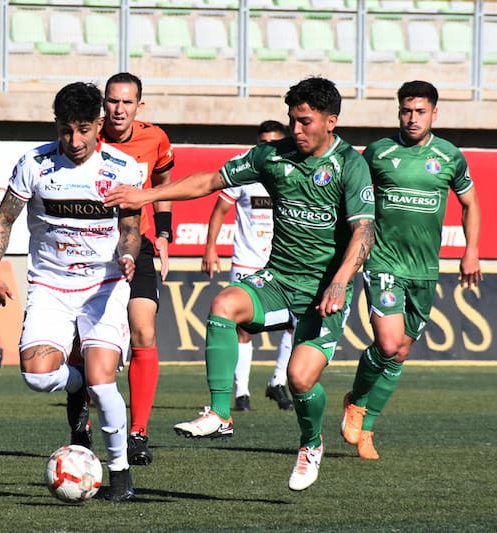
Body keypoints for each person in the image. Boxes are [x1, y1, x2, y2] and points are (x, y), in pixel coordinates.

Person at [104, 76, 376, 492]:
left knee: (300, 379)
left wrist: (339, 283)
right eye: (292, 121)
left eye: (305, 121)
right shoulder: (272, 156)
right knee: (223, 304)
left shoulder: (350, 166)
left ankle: (310, 443)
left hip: (324, 292)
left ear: (331, 121)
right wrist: (143, 197)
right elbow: (209, 181)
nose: (296, 129)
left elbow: (363, 233)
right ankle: (219, 412)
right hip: (278, 279)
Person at [0, 81, 143, 502]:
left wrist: (128, 256)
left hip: (104, 286)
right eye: (66, 130)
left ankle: (121, 476)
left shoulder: (123, 169)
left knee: (103, 380)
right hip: (50, 284)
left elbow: (130, 231)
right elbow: (4, 219)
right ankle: (75, 388)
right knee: (37, 378)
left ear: (99, 125)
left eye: (84, 130)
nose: (74, 141)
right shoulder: (34, 163)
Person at [341, 80, 482, 460]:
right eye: (406, 110)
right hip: (383, 261)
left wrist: (471, 251)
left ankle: (367, 428)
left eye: (420, 111)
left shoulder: (450, 156)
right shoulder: (378, 152)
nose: (412, 118)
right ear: (398, 111)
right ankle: (355, 403)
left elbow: (470, 203)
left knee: (400, 352)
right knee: (388, 342)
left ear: (434, 113)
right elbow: (351, 198)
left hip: (424, 269)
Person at [66, 72, 175, 466]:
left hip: (137, 245)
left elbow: (163, 183)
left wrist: (163, 234)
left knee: (144, 328)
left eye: (127, 102)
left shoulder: (156, 139)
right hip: (90, 251)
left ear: (139, 106)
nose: (118, 109)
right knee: (81, 343)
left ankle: (138, 432)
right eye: (112, 101)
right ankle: (81, 422)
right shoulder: (87, 139)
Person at [201, 120, 294, 413]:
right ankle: (242, 392)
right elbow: (220, 210)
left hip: (282, 262)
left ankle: (278, 381)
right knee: (243, 328)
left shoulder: (291, 174)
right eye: (262, 142)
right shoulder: (247, 172)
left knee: (294, 324)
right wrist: (210, 246)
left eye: (272, 142)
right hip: (247, 260)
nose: (266, 147)